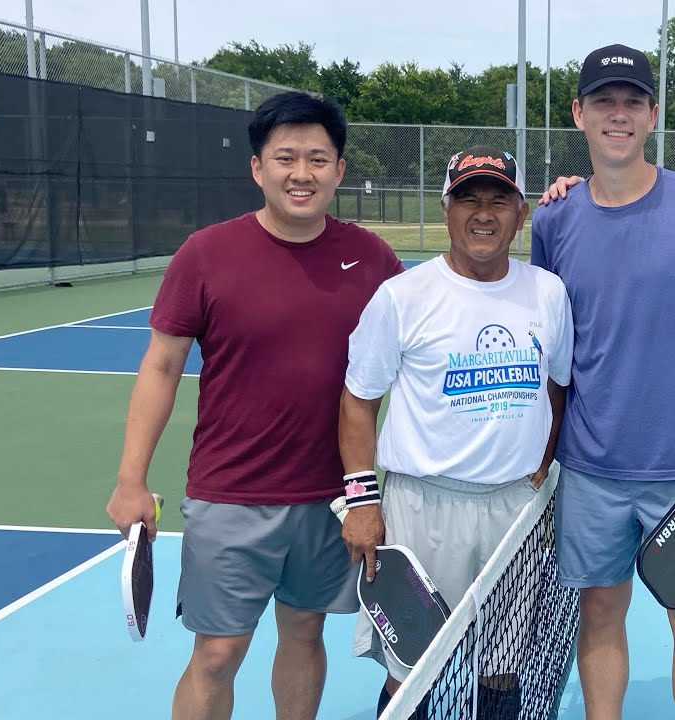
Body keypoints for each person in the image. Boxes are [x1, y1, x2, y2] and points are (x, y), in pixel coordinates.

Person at [104, 91, 404, 720]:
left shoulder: (374, 260)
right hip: (229, 493)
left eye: (318, 159)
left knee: (304, 634)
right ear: (257, 168)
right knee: (217, 652)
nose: (302, 173)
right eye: (286, 157)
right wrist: (130, 479)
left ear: (340, 170)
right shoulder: (206, 254)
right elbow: (161, 366)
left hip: (331, 499)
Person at [531, 43, 675, 720]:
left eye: (633, 102)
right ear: (579, 113)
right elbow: (554, 350)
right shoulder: (553, 219)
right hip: (593, 470)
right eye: (604, 101)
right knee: (599, 616)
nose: (618, 115)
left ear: (653, 114)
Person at [339, 145, 573, 718]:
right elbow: (356, 403)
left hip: (514, 511)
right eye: (469, 199)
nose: (484, 213)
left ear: (521, 215)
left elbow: (559, 388)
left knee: (503, 668)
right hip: (422, 508)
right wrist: (363, 501)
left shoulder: (548, 292)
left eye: (500, 200)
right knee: (415, 670)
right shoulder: (402, 297)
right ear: (446, 210)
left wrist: (542, 466)